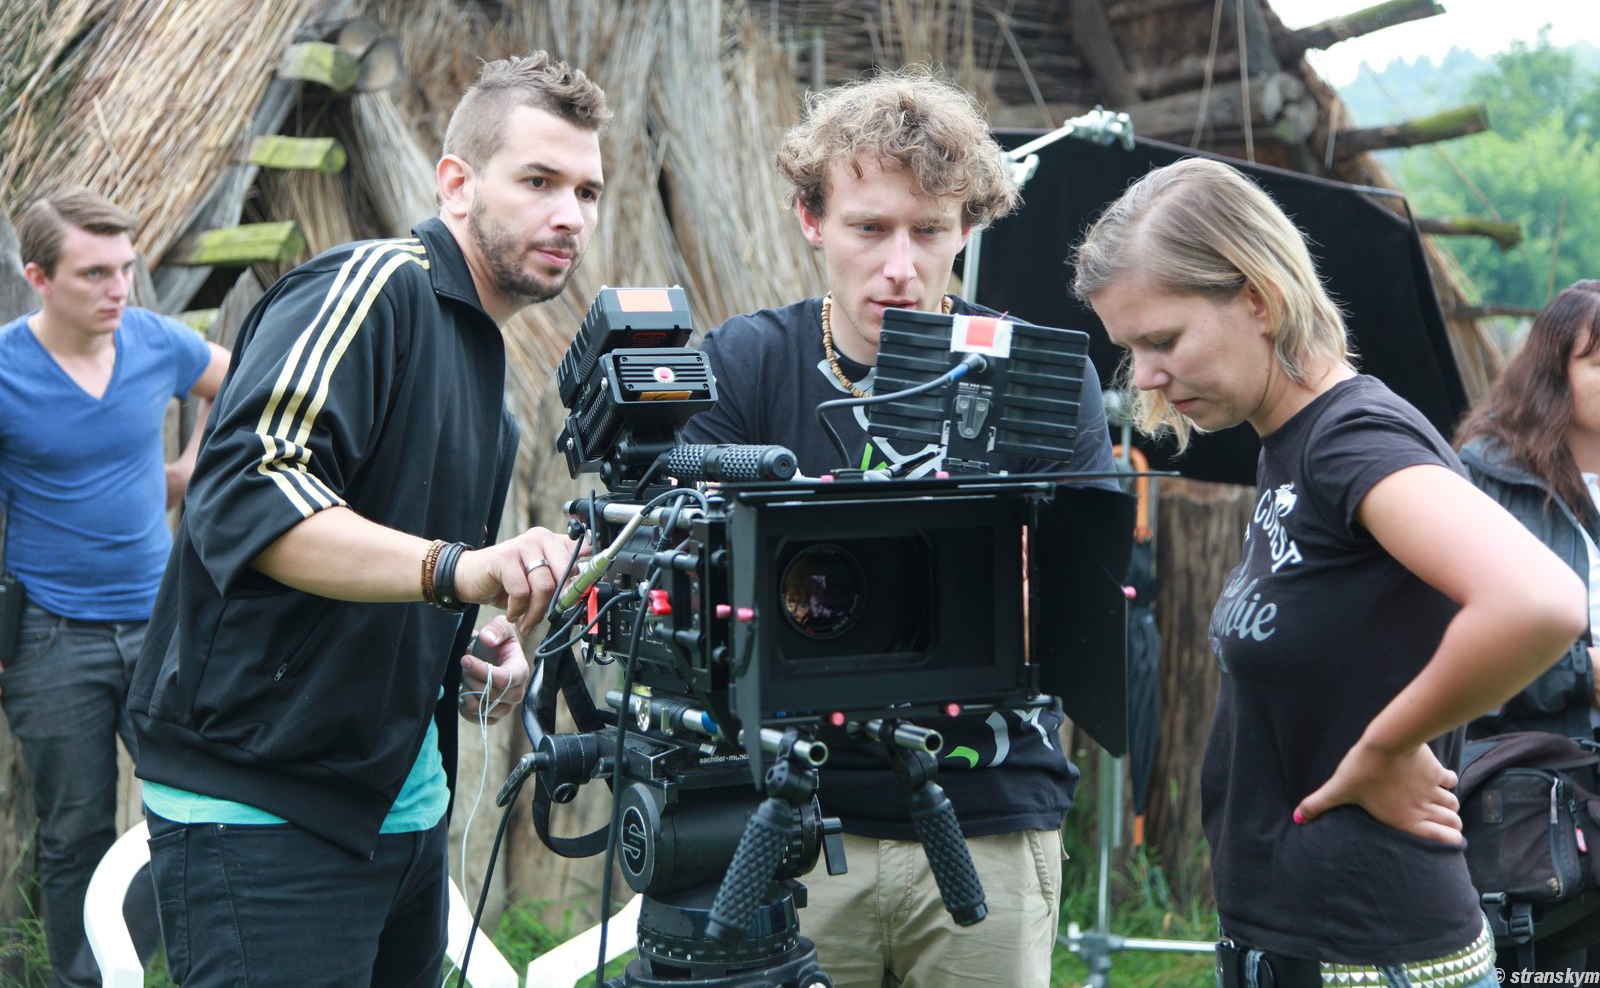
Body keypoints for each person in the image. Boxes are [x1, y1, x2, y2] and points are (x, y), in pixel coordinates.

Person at [126, 52, 608, 987]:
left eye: (586, 192)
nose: (570, 215)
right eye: (539, 181)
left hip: (401, 807)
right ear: (457, 184)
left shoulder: (490, 390)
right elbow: (252, 494)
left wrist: (458, 650)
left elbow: (384, 574)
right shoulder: (375, 286)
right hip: (264, 812)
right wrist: (460, 571)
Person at [1073, 156, 1586, 988]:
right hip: (1292, 944)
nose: (1147, 376)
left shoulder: (1351, 438)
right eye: (1131, 348)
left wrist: (1386, 748)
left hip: (1372, 954)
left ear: (1259, 299)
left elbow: (1541, 600)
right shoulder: (1289, 445)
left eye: (1162, 340)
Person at [679, 66, 1116, 988]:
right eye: (869, 228)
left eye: (930, 231)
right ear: (812, 220)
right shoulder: (745, 364)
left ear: (968, 229)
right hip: (782, 825)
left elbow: (1079, 603)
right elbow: (686, 578)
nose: (900, 267)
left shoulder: (1038, 379)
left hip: (989, 817)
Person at [0, 188, 228, 988]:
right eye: (94, 273)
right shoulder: (5, 369)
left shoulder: (155, 341)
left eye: (125, 269)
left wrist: (190, 467)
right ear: (39, 278)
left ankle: (135, 963)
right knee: (75, 831)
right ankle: (83, 982)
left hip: (163, 627)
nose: (119, 289)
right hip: (48, 636)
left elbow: (236, 383)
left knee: (200, 810)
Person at [1455, 280, 1600, 972]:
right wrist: (1581, 674)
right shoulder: (1484, 480)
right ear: (1553, 373)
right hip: (1536, 799)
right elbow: (1449, 644)